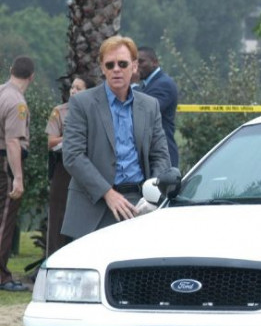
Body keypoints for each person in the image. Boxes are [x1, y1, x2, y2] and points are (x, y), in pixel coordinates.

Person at [62, 36, 171, 239]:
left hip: (139, 204)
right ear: (102, 69)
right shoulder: (82, 103)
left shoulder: (150, 105)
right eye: (110, 65)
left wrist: (153, 193)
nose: (116, 70)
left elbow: (161, 154)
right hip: (94, 204)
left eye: (122, 64)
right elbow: (72, 155)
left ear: (134, 66)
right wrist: (107, 193)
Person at [45, 75, 96, 257]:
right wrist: (71, 138)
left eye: (78, 88)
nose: (73, 91)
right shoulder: (60, 111)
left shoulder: (96, 112)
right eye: (72, 87)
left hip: (88, 167)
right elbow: (51, 142)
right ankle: (54, 257)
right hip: (64, 167)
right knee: (58, 214)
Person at [0, 56, 34, 292]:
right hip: (5, 163)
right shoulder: (17, 103)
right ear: (31, 77)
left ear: (11, 70)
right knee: (4, 219)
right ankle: (1, 276)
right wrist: (18, 178)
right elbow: (13, 141)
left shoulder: (1, 92)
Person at [137, 46, 179, 168]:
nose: (137, 66)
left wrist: (133, 84)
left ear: (154, 62)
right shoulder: (148, 84)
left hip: (162, 156)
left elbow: (145, 112)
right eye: (134, 62)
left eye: (141, 61)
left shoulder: (163, 84)